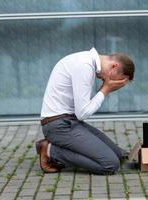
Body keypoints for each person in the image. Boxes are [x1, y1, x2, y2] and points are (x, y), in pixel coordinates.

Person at [36, 47, 135, 175]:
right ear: (113, 67)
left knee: (119, 155)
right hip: (59, 126)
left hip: (69, 121)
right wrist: (105, 90)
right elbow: (82, 113)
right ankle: (50, 150)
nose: (113, 82)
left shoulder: (86, 61)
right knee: (110, 164)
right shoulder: (84, 66)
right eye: (118, 79)